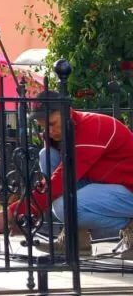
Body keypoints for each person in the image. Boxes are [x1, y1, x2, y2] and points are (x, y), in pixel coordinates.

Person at [7, 91, 133, 258]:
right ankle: (76, 240)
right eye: (43, 126)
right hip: (108, 184)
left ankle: (130, 226)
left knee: (63, 207)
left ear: (68, 112)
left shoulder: (91, 127)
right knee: (47, 155)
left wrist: (16, 211)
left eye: (52, 124)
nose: (48, 130)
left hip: (128, 189)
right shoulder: (60, 133)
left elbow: (63, 179)